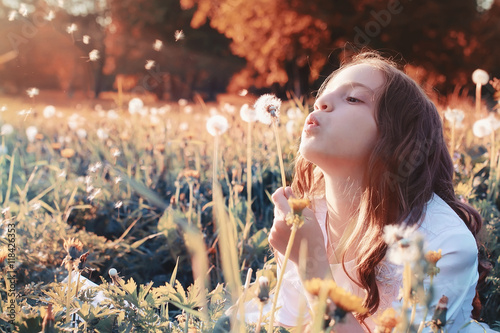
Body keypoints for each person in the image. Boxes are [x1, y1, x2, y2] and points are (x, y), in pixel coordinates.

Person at [267, 51, 493, 332]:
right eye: (319, 100)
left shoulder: (442, 243)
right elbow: (293, 325)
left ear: (398, 138)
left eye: (352, 99)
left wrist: (311, 263)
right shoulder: (308, 215)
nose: (321, 102)